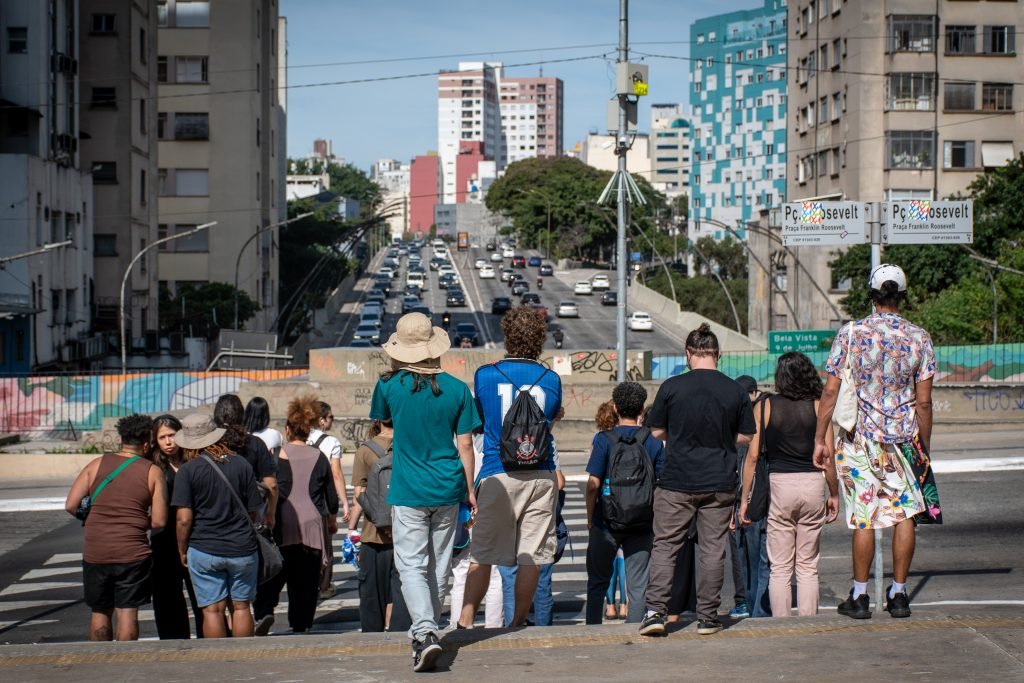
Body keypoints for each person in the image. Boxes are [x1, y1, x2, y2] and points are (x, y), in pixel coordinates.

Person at [814, 264, 941, 620]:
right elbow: (925, 402)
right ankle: (899, 595)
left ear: (871, 296)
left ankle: (860, 595)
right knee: (906, 517)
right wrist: (923, 447)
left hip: (859, 440)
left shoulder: (851, 334)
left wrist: (819, 437)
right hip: (904, 439)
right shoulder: (920, 338)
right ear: (902, 296)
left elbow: (830, 392)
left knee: (865, 517)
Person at [370, 312, 481, 672]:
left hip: (409, 488)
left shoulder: (388, 385)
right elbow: (465, 444)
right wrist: (469, 490)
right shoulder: (458, 389)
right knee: (439, 564)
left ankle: (424, 632)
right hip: (449, 486)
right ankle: (428, 632)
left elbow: (384, 422)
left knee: (411, 566)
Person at [639, 323, 755, 637]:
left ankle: (655, 613)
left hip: (676, 479)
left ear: (689, 354)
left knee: (666, 547)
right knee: (713, 549)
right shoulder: (735, 390)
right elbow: (746, 434)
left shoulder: (671, 387)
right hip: (719, 481)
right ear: (718, 354)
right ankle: (707, 617)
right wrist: (722, 436)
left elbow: (657, 431)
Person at [458, 306, 563, 630]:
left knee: (483, 554)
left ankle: (464, 622)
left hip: (496, 472)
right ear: (539, 339)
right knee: (531, 555)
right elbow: (553, 418)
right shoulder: (552, 379)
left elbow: (478, 420)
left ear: (507, 336)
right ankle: (518, 622)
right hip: (541, 474)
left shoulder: (486, 375)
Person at [739, 354, 840, 617]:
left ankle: (780, 623)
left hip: (779, 486)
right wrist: (834, 493)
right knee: (807, 565)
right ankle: (809, 621)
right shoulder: (819, 406)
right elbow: (828, 455)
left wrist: (745, 499)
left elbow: (752, 456)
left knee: (780, 566)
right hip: (812, 484)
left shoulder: (764, 406)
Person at [66, 414, 167, 641]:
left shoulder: (96, 464)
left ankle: (98, 661)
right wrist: (137, 522)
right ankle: (123, 663)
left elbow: (71, 504)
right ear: (146, 443)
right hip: (132, 553)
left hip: (96, 552)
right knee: (127, 612)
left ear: (121, 439)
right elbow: (160, 521)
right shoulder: (152, 472)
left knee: (100, 610)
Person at [254, 395, 339, 634]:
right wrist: (331, 519)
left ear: (288, 429)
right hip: (311, 524)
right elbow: (330, 496)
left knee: (273, 572)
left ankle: (264, 612)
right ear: (310, 429)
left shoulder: (276, 455)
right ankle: (301, 623)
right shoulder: (319, 457)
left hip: (282, 519)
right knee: (306, 580)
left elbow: (268, 486)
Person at [172, 413, 262, 638]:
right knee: (241, 607)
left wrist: (182, 549)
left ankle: (218, 660)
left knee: (213, 610)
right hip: (242, 547)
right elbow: (254, 510)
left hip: (204, 548)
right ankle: (245, 657)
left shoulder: (187, 471)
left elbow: (183, 518)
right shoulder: (241, 464)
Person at [585, 381, 665, 624]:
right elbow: (661, 483)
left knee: (597, 583)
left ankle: (592, 631)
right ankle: (634, 630)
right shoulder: (652, 441)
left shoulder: (603, 440)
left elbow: (593, 485)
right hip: (642, 521)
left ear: (616, 408)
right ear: (642, 409)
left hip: (606, 521)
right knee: (638, 585)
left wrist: (591, 518)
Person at [348, 419, 412, 633]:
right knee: (404, 593)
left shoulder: (365, 450)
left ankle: (372, 640)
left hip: (373, 535)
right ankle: (402, 636)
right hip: (407, 532)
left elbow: (359, 493)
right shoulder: (410, 445)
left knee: (371, 597)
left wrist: (380, 521)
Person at [149, 414, 204, 639]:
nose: (168, 442)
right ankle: (173, 640)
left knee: (201, 595)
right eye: (162, 437)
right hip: (164, 539)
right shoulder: (153, 466)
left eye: (171, 435)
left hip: (194, 535)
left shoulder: (193, 460)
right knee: (167, 596)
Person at [731, 375, 769, 619]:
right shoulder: (762, 415)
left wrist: (737, 504)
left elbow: (745, 466)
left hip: (748, 499)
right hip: (757, 498)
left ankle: (752, 605)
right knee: (756, 558)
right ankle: (754, 605)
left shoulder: (743, 423)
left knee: (749, 558)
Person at [214, 394, 278, 530]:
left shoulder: (209, 444)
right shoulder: (256, 444)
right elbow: (271, 484)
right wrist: (271, 513)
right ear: (242, 416)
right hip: (248, 515)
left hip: (214, 514)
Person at [308, 401, 351, 523]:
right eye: (330, 417)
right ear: (321, 420)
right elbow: (336, 474)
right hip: (321, 498)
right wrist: (345, 503)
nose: (333, 419)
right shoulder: (332, 442)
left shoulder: (300, 437)